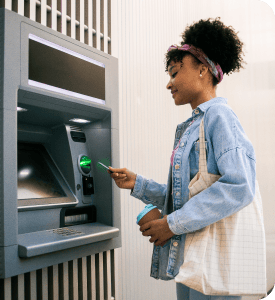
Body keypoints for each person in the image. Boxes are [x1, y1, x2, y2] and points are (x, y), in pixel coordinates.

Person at [108, 17, 256, 300]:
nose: (169, 83)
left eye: (175, 73)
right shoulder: (194, 125)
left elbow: (240, 186)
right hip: (192, 260)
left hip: (212, 266)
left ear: (203, 70)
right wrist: (137, 184)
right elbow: (187, 196)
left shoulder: (219, 117)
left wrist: (171, 225)